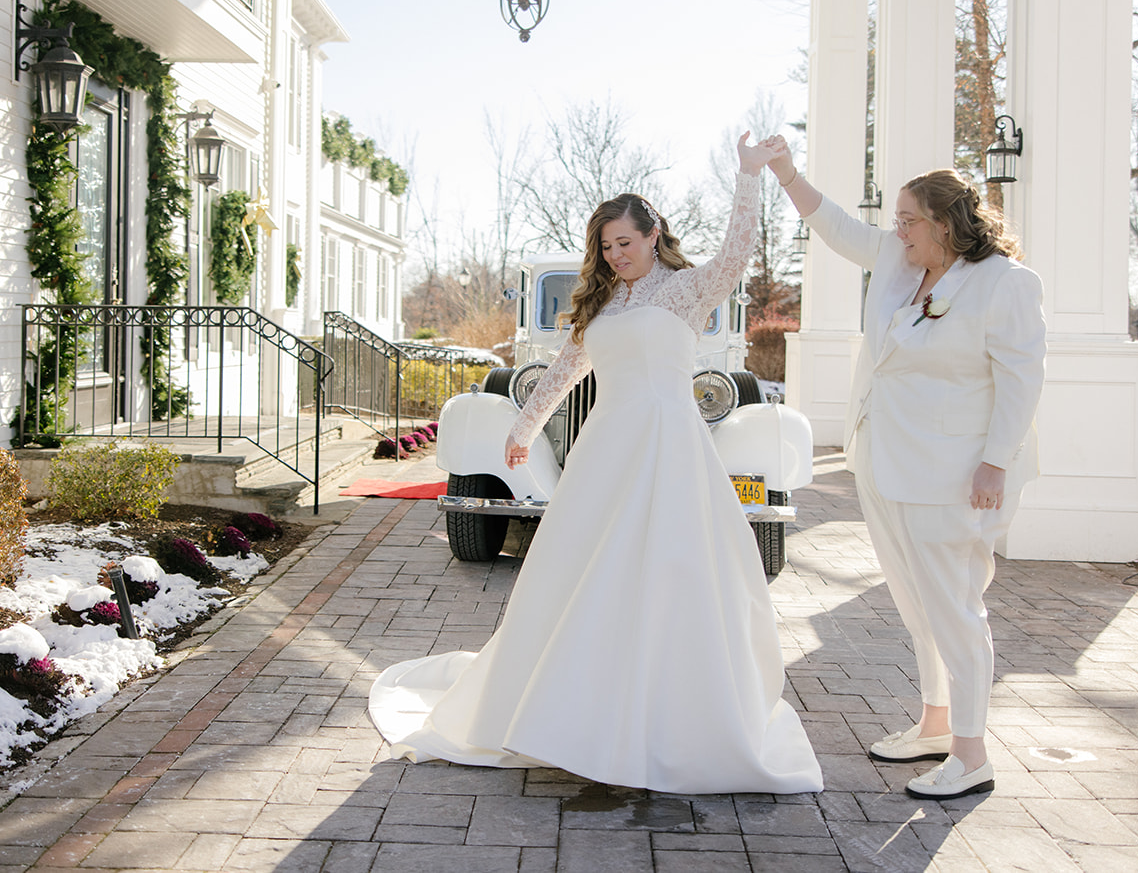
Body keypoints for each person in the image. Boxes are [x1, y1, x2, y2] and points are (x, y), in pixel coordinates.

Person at [367, 134, 823, 794]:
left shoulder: (688, 290)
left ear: (652, 234)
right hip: (608, 446)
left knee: (667, 572)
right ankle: (570, 711)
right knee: (586, 571)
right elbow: (563, 368)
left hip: (670, 445)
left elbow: (736, 253)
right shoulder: (604, 302)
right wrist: (523, 425)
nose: (616, 255)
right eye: (606, 246)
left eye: (625, 243)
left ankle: (662, 716)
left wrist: (748, 176)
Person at [766, 141, 1045, 800]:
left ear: (944, 223)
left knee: (955, 608)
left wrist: (995, 464)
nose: (897, 229)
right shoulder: (900, 262)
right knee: (918, 606)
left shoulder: (1005, 282)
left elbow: (1022, 379)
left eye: (908, 218)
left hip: (956, 473)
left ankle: (972, 754)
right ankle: (936, 722)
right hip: (887, 464)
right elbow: (835, 225)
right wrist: (784, 172)